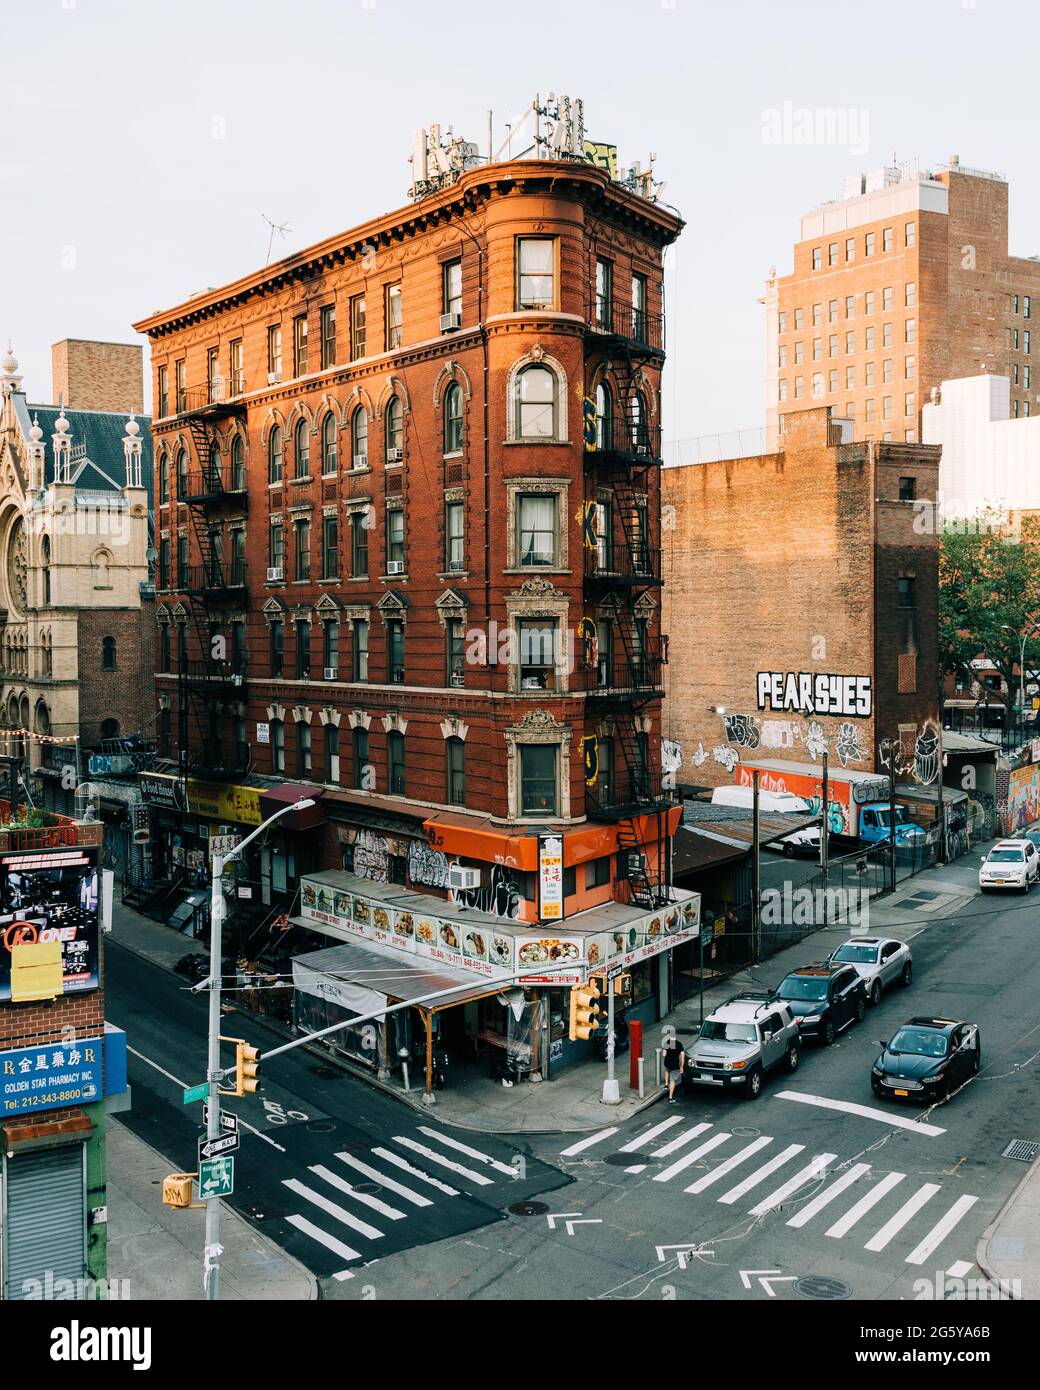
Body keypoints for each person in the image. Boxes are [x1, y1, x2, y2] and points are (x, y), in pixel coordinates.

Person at [663, 1034, 685, 1103]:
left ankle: (666, 1085)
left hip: (667, 1062)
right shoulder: (679, 1044)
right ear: (675, 1036)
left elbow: (664, 1054)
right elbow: (682, 1056)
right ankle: (670, 1098)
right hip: (675, 1065)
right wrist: (681, 1067)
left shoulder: (667, 1042)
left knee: (667, 1070)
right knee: (672, 1080)